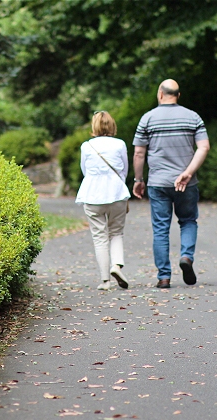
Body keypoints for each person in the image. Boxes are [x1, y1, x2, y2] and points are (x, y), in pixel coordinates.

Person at [132, 79, 210, 289]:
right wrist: (188, 172)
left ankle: (164, 277)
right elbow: (204, 147)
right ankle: (186, 256)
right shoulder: (193, 117)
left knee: (160, 229)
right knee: (188, 221)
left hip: (158, 183)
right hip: (187, 183)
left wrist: (139, 180)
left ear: (160, 94)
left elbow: (139, 152)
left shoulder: (148, 118)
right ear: (178, 95)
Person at [76, 111, 131, 290]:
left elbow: (85, 171)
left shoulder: (86, 146)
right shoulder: (120, 144)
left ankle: (105, 281)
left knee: (99, 237)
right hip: (116, 193)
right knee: (116, 232)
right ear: (112, 125)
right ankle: (116, 266)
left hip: (93, 195)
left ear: (94, 126)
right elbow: (124, 171)